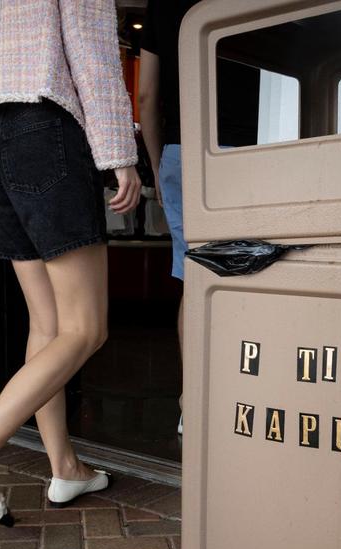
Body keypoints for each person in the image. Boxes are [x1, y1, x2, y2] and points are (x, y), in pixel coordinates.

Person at [0, 0, 142, 526]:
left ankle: (65, 467)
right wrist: (120, 155)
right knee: (85, 329)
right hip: (49, 132)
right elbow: (92, 55)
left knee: (47, 324)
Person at [138, 0, 202, 436]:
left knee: (193, 278)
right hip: (257, 145)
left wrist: (160, 164)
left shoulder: (161, 2)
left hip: (184, 151)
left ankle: (190, 402)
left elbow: (146, 97)